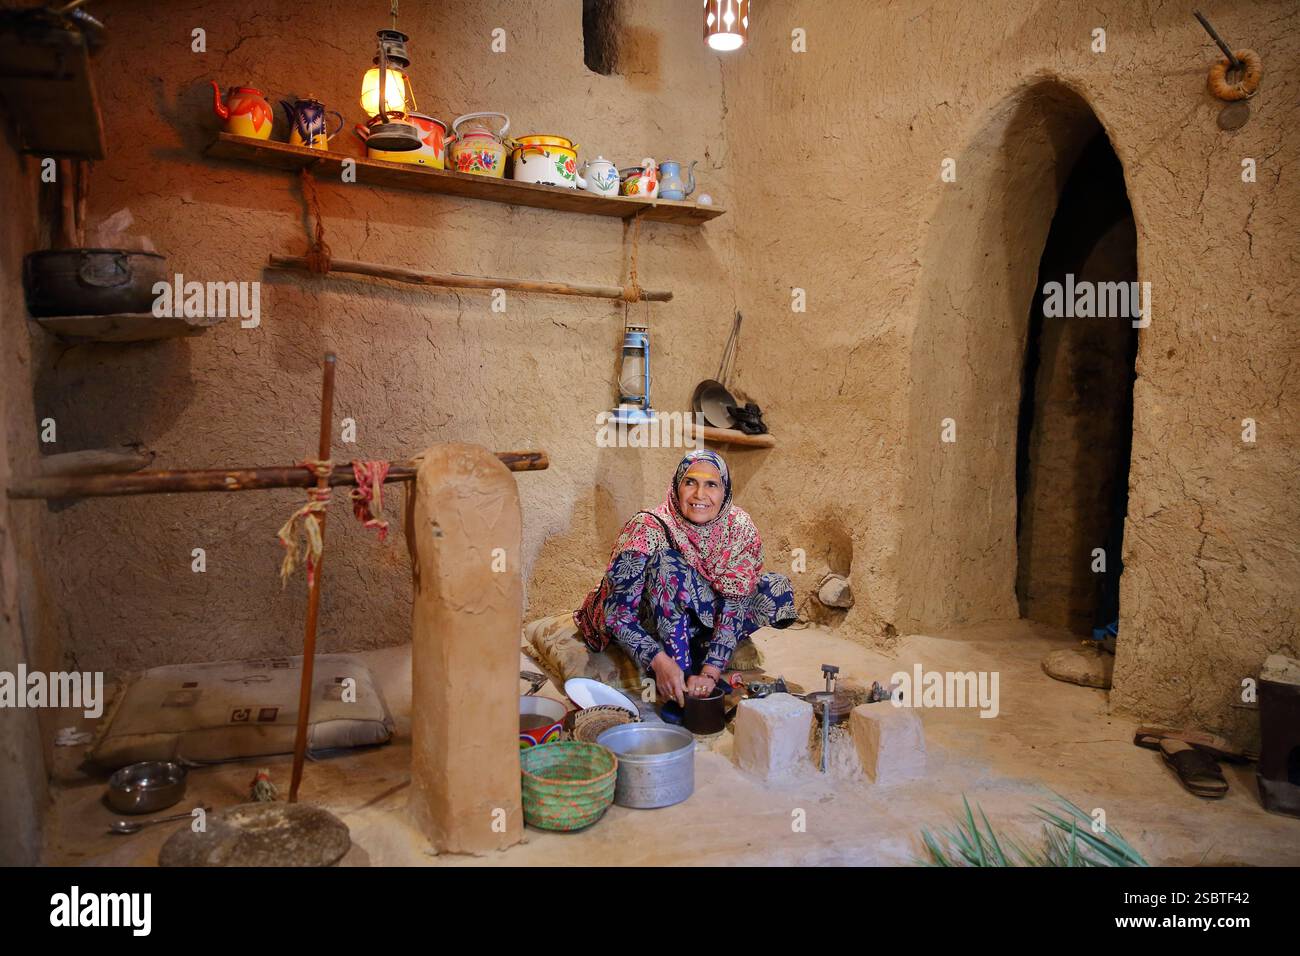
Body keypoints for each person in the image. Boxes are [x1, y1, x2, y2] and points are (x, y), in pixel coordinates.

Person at [574, 449, 796, 718]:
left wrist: (712, 672)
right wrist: (659, 661)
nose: (700, 495)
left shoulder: (738, 528)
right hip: (650, 617)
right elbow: (618, 614)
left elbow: (734, 603)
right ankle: (680, 680)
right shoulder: (647, 528)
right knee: (667, 565)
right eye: (690, 482)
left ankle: (700, 650)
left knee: (775, 588)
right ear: (676, 487)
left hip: (696, 612)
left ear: (724, 491)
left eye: (711, 484)